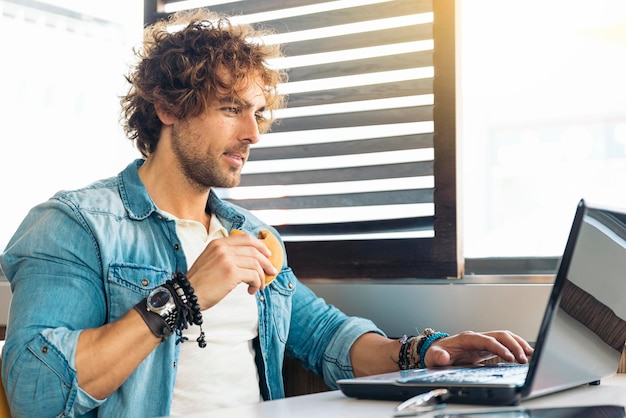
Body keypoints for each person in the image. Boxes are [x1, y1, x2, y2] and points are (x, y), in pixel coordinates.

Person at [0, 9, 533, 418]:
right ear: (166, 109)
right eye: (231, 109)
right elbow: (35, 393)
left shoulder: (250, 235)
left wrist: (425, 354)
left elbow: (326, 338)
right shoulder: (74, 226)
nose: (253, 134)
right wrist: (182, 296)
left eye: (256, 114)